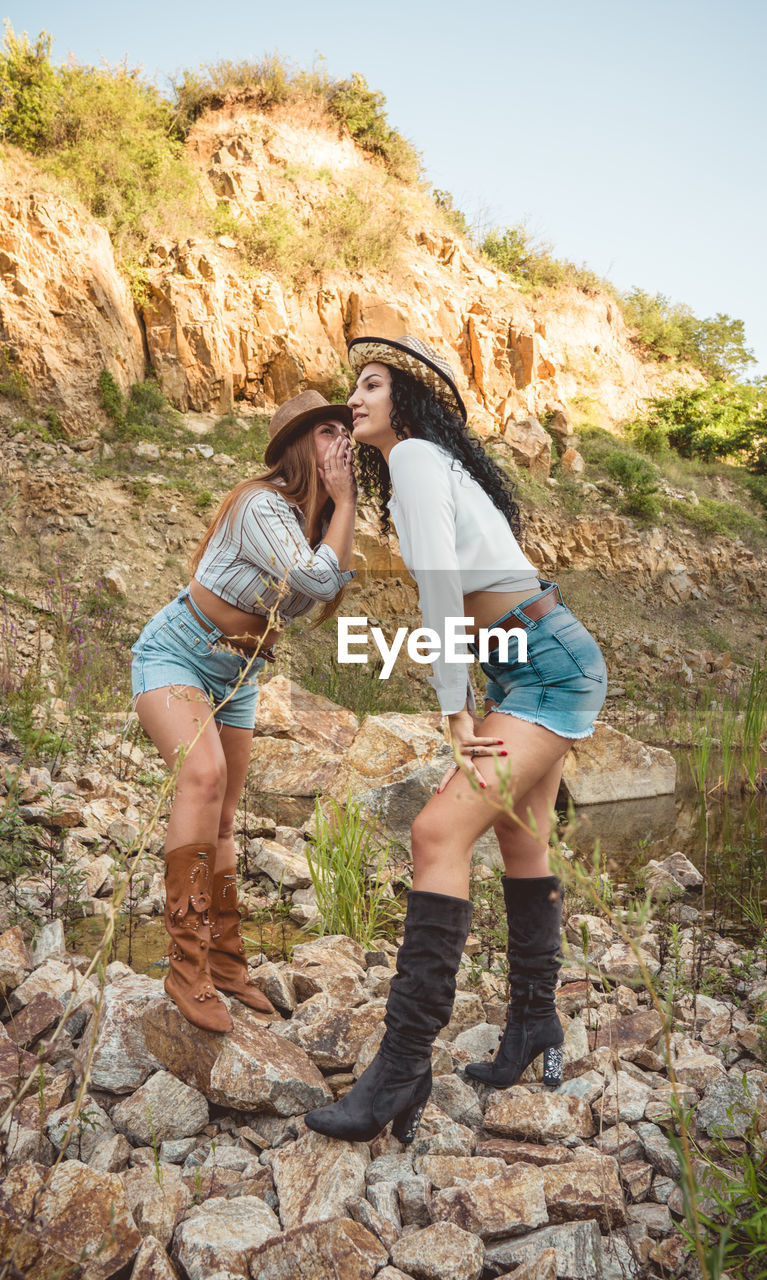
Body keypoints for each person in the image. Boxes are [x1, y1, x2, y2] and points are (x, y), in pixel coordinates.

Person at [305, 336, 607, 1143]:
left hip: (540, 666)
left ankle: (400, 1069)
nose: (356, 396)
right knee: (522, 839)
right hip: (529, 657)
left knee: (436, 830)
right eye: (352, 386)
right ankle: (534, 1025)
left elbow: (441, 587)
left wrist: (453, 705)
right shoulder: (423, 469)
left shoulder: (414, 460)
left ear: (406, 397)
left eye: (371, 384)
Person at [131, 390, 356, 1032]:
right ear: (297, 446)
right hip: (178, 651)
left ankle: (227, 964)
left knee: (225, 817)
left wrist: (342, 507)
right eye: (326, 431)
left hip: (242, 670)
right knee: (202, 779)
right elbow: (315, 582)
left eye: (346, 430)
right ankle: (186, 968)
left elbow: (326, 579)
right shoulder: (260, 503)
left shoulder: (308, 522)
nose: (341, 440)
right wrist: (344, 502)